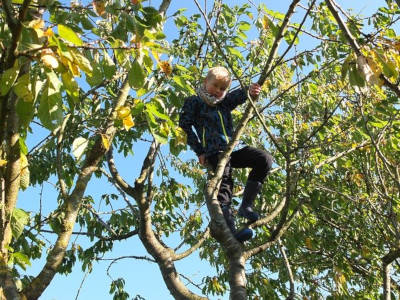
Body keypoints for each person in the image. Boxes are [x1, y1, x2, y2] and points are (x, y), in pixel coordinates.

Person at [179, 66, 273, 242]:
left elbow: (237, 96)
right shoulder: (194, 102)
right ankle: (231, 231)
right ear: (205, 82)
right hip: (215, 151)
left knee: (264, 159)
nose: (219, 91)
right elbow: (184, 126)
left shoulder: (224, 103)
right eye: (215, 86)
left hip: (233, 148)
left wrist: (250, 90)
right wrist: (199, 151)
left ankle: (246, 206)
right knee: (225, 183)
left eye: (223, 89)